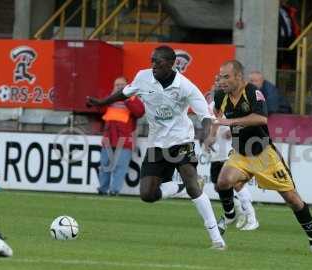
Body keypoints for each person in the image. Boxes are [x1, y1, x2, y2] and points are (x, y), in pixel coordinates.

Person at [87, 45, 226, 250]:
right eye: (152, 61)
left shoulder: (185, 86)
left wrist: (206, 134)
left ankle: (217, 239)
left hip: (181, 141)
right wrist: (101, 102)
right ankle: (179, 187)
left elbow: (205, 115)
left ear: (171, 64)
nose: (153, 65)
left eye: (157, 62)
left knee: (192, 185)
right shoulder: (143, 77)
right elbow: (124, 94)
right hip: (156, 143)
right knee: (147, 195)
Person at [209, 60, 312, 255]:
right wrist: (212, 133)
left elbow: (261, 118)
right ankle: (230, 215)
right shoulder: (221, 95)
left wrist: (230, 121)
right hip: (241, 153)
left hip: (264, 155)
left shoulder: (253, 93)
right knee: (223, 181)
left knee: (293, 199)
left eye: (226, 76)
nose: (222, 81)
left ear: (238, 77)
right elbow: (216, 114)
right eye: (221, 76)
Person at [204, 77, 259, 232]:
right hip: (218, 149)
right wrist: (210, 138)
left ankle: (251, 217)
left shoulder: (235, 101)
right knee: (218, 185)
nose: (217, 85)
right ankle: (237, 212)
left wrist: (234, 129)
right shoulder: (212, 105)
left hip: (233, 147)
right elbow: (214, 122)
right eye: (215, 83)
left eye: (220, 83)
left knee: (235, 183)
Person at [98, 77, 145, 196]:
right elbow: (99, 110)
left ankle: (114, 191)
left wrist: (126, 99)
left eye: (122, 85)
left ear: (127, 86)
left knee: (120, 167)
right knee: (105, 165)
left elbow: (139, 112)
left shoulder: (133, 98)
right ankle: (102, 190)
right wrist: (109, 99)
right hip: (108, 139)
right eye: (116, 85)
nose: (119, 87)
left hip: (124, 140)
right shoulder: (109, 99)